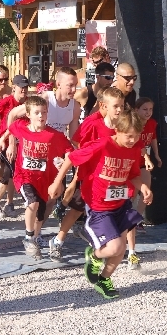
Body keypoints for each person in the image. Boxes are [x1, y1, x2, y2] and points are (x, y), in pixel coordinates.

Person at [48, 110, 153, 299]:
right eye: (129, 136)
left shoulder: (134, 148)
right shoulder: (103, 144)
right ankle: (94, 256)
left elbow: (133, 174)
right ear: (117, 130)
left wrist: (143, 187)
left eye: (137, 136)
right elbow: (71, 158)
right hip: (99, 207)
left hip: (121, 205)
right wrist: (57, 182)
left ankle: (104, 279)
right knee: (114, 247)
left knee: (120, 249)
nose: (133, 140)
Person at [48, 88, 126, 261]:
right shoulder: (93, 123)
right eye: (116, 106)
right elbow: (77, 141)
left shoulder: (122, 125)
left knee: (114, 209)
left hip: (111, 176)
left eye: (122, 106)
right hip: (90, 175)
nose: (120, 110)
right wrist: (88, 157)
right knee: (77, 208)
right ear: (103, 105)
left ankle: (112, 246)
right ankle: (58, 240)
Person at [0, 96, 73, 260]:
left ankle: (35, 236)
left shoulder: (54, 135)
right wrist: (2, 140)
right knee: (33, 203)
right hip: (24, 176)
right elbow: (11, 128)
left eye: (44, 112)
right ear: (28, 114)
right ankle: (29, 237)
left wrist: (64, 161)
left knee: (41, 214)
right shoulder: (21, 126)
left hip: (45, 179)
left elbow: (69, 150)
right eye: (36, 113)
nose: (41, 116)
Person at [0, 75, 30, 218]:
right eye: (21, 87)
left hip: (21, 143)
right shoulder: (7, 101)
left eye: (26, 87)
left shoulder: (28, 103)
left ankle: (9, 203)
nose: (24, 90)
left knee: (12, 173)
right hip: (5, 142)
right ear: (14, 88)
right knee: (9, 172)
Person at [133, 97, 161, 234]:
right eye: (145, 109)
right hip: (132, 162)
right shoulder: (132, 124)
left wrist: (156, 155)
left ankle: (137, 219)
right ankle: (126, 219)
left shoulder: (152, 123)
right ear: (136, 110)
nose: (148, 112)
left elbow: (153, 138)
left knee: (146, 190)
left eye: (150, 109)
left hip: (144, 162)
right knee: (132, 192)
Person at [42, 67, 81, 140]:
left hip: (58, 144)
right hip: (40, 143)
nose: (74, 90)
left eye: (75, 85)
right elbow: (17, 113)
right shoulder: (46, 99)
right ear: (58, 84)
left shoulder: (75, 107)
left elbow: (73, 138)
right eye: (70, 85)